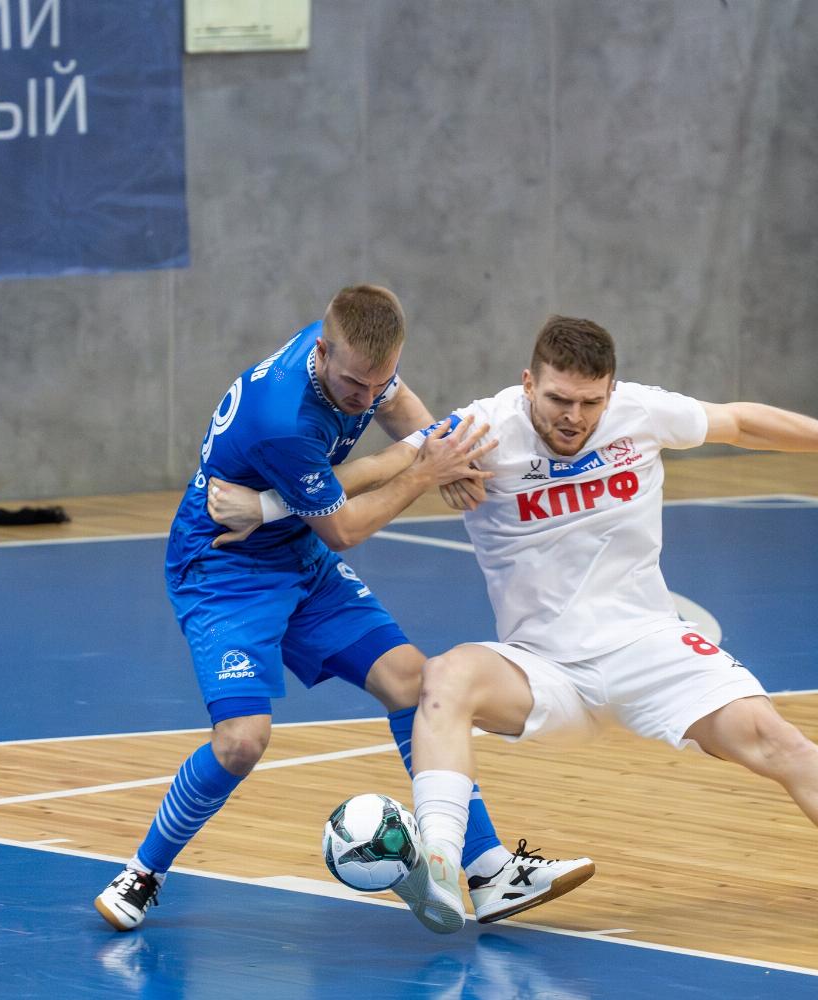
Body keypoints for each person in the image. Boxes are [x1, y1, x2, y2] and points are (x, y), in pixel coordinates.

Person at [213, 314, 818, 930]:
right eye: (558, 401)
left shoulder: (639, 413)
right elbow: (376, 469)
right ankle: (443, 869)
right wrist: (269, 505)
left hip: (649, 646)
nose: (574, 418)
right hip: (542, 665)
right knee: (444, 676)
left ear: (610, 392)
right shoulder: (482, 429)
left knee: (773, 738)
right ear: (529, 384)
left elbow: (742, 421)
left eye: (590, 403)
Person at [95, 286, 592, 936]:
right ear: (323, 353)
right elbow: (346, 528)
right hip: (225, 567)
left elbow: (400, 410)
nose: (365, 397)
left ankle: (487, 870)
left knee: (415, 682)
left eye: (377, 382)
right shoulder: (282, 418)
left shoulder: (358, 351)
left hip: (296, 550)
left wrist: (441, 454)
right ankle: (142, 871)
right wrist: (423, 468)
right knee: (242, 741)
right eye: (354, 385)